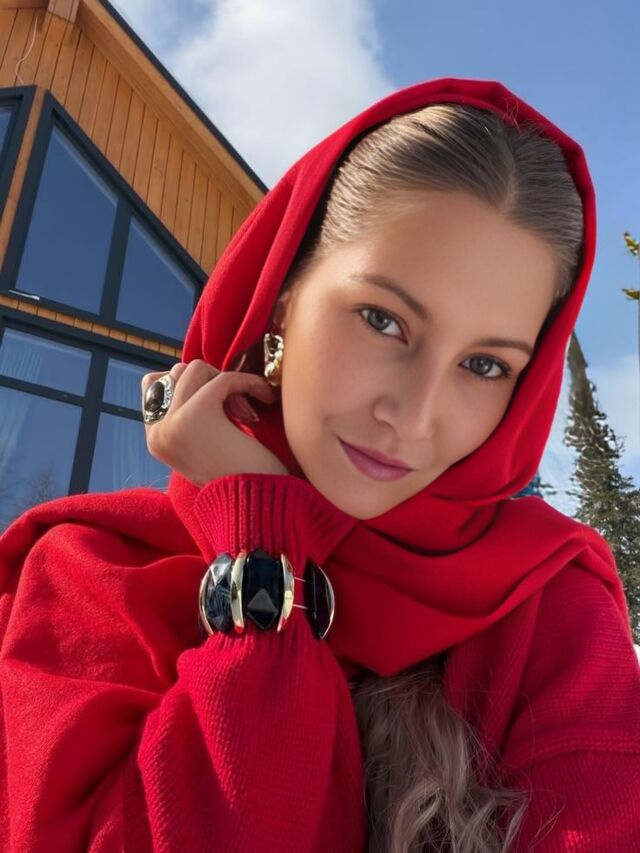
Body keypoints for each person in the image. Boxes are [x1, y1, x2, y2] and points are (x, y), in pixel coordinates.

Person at [1, 77, 639, 852]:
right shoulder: (95, 577)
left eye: (485, 365)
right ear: (283, 295)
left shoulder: (547, 613)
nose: (413, 414)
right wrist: (261, 553)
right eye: (383, 320)